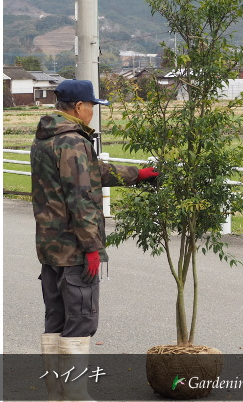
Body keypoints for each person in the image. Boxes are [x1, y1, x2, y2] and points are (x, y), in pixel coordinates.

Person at [31, 79, 158, 401]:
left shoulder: (47, 138)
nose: (92, 112)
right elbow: (81, 197)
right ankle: (74, 395)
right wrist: (92, 248)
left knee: (56, 319)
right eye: (91, 106)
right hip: (74, 248)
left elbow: (91, 171)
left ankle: (56, 393)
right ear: (78, 107)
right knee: (81, 319)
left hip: (49, 247)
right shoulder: (73, 141)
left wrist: (136, 175)